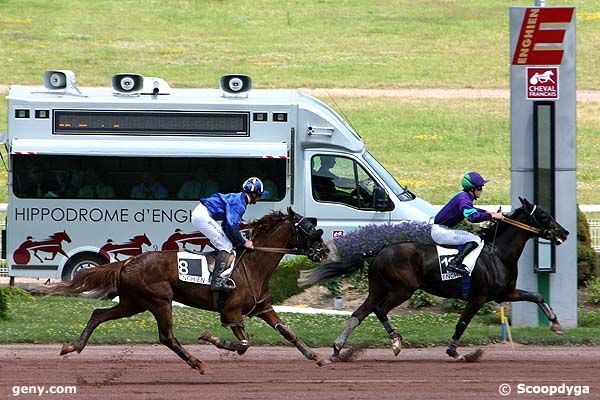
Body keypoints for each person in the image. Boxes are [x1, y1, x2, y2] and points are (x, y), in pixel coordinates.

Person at [191, 177, 267, 291]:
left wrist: (237, 240)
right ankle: (216, 281)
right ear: (254, 194)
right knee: (226, 246)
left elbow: (227, 225)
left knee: (227, 243)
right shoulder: (240, 203)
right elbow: (232, 227)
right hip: (202, 215)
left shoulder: (240, 200)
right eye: (260, 195)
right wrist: (244, 242)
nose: (260, 198)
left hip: (202, 214)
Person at [431, 171, 504, 276]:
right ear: (472, 189)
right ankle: (455, 263)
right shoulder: (464, 200)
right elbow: (472, 217)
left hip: (443, 229)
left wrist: (488, 213)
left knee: (472, 237)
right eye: (480, 188)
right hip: (441, 232)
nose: (481, 191)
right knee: (475, 239)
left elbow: (474, 210)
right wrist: (492, 216)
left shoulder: (464, 197)